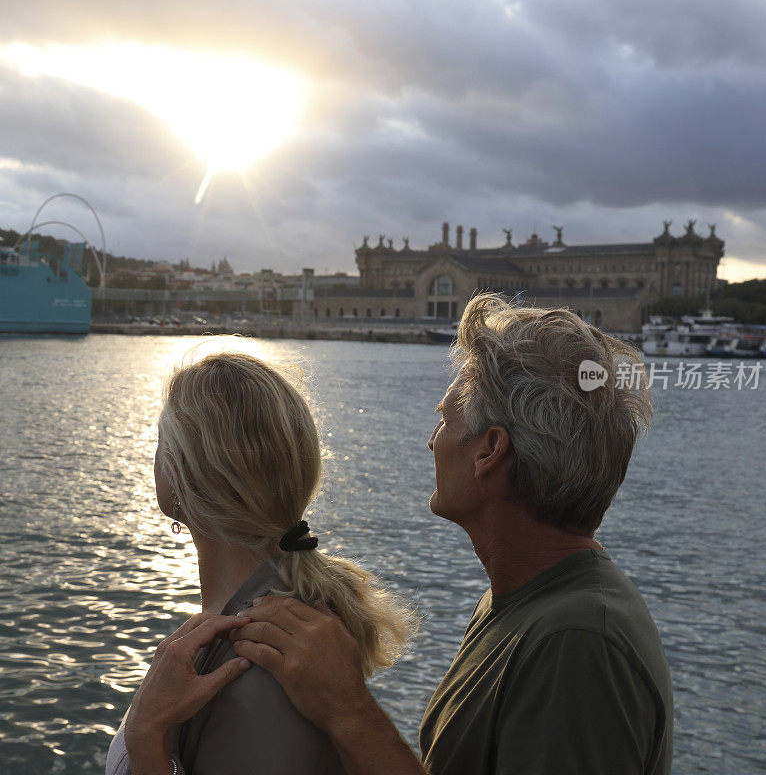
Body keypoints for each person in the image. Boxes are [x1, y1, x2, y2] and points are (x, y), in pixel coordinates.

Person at [232, 294, 674, 775]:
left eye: (444, 418)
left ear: (489, 451)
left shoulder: (578, 645)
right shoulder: (530, 601)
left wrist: (348, 711)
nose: (432, 440)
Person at [105, 352, 416, 775]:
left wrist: (146, 736)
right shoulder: (276, 620)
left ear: (177, 471)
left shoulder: (256, 662)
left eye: (160, 443)